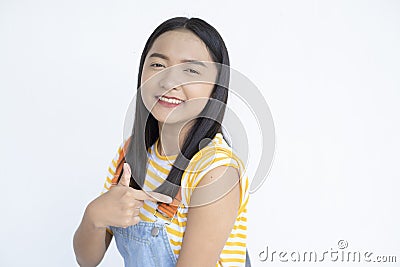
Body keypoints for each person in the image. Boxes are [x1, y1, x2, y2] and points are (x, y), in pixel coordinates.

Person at [73, 16, 251, 267]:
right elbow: (87, 259)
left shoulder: (214, 171)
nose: (169, 82)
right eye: (158, 64)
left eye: (190, 70)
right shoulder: (130, 155)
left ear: (216, 86)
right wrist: (94, 216)